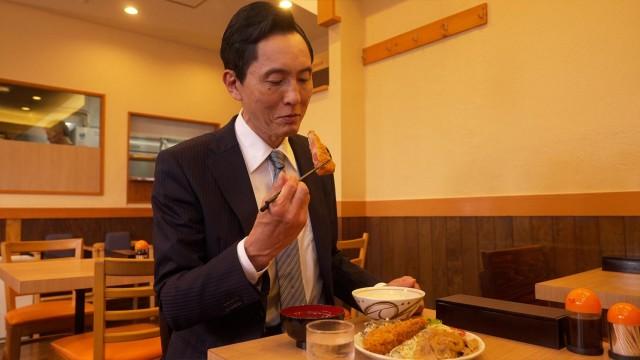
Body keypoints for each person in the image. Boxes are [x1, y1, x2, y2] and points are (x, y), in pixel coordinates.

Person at [152, 2, 421, 358]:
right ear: (234, 84)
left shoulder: (313, 157)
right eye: (276, 81)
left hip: (316, 345)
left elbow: (328, 260)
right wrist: (254, 252)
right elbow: (174, 302)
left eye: (305, 77)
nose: (295, 97)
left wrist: (382, 293)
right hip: (226, 350)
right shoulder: (185, 164)